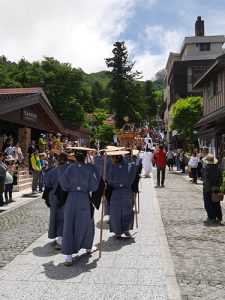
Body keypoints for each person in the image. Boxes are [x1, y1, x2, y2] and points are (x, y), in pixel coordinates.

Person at [59, 149, 100, 266]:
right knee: (87, 223)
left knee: (69, 225)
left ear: (75, 157)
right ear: (85, 157)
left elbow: (64, 185)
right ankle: (88, 248)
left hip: (71, 198)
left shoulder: (69, 168)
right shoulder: (89, 169)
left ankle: (69, 257)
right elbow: (94, 186)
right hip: (83, 198)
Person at [107, 150, 137, 238]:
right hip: (127, 191)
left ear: (116, 158)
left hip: (116, 191)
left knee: (115, 212)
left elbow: (110, 181)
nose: (111, 159)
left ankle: (117, 231)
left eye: (112, 157)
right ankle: (126, 229)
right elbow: (132, 179)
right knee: (127, 210)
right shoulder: (130, 166)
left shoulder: (112, 168)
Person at [43, 153, 69, 250]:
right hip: (65, 196)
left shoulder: (52, 171)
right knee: (64, 217)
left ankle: (59, 238)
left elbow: (47, 183)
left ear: (57, 160)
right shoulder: (69, 170)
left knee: (55, 216)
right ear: (66, 161)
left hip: (54, 196)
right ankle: (61, 239)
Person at [202, 154, 223, 224]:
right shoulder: (218, 168)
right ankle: (219, 217)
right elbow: (221, 178)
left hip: (208, 189)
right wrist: (218, 186)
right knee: (216, 203)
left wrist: (211, 187)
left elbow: (206, 179)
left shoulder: (206, 168)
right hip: (216, 188)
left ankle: (211, 217)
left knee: (208, 204)